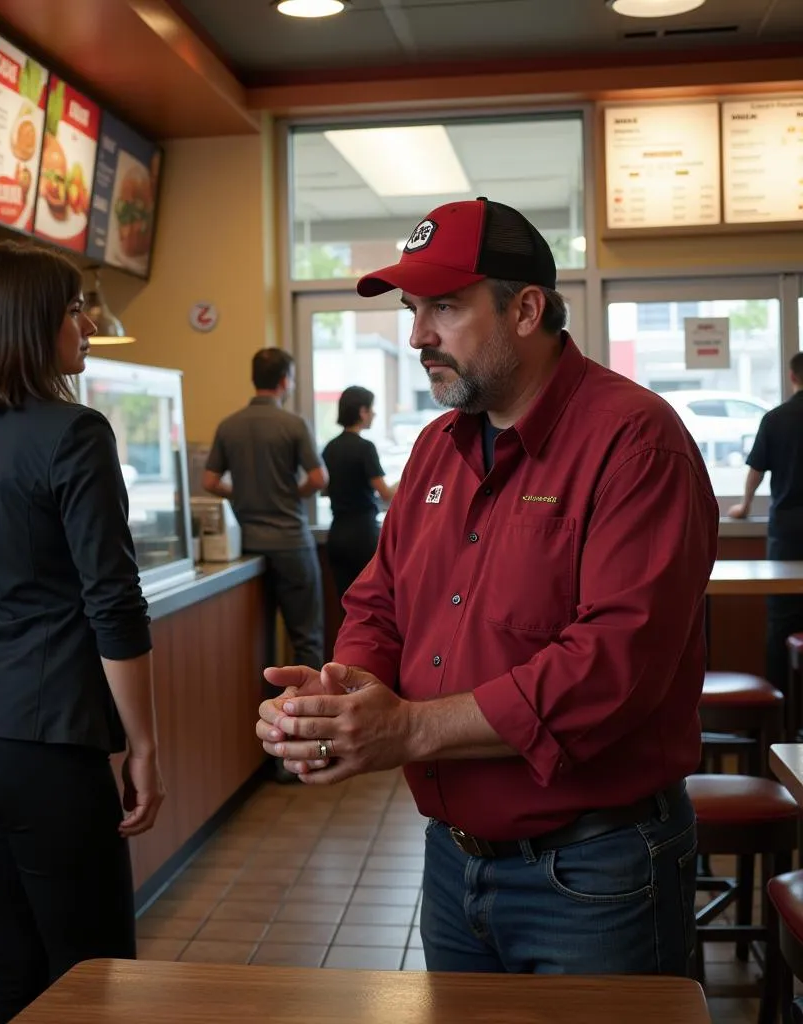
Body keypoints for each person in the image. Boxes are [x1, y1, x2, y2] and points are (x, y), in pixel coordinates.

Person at [256, 197, 718, 976]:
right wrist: (349, 693)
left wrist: (406, 730)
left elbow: (612, 665)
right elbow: (379, 601)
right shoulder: (437, 449)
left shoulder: (636, 441)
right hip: (452, 864)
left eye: (444, 306)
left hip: (597, 873)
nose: (418, 336)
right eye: (412, 310)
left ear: (527, 309)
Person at [0, 241, 164, 1024]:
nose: (87, 324)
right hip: (46, 744)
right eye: (74, 309)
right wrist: (142, 744)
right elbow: (112, 602)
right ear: (33, 323)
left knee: (18, 961)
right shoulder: (76, 432)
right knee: (94, 976)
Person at [204, 348, 327, 779]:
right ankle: (304, 753)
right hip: (291, 544)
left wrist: (243, 497)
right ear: (285, 380)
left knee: (261, 652)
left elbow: (208, 480)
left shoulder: (229, 425)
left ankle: (264, 751)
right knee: (307, 642)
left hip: (249, 548)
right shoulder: (293, 424)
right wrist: (284, 497)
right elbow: (318, 479)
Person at [729, 352, 803, 705]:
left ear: (792, 377)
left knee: (781, 623)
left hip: (788, 532)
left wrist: (744, 507)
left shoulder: (776, 419)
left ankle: (781, 709)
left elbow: (756, 471)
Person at [321, 386, 396, 599]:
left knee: (344, 603)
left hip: (337, 534)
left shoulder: (330, 448)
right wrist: (408, 476)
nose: (374, 414)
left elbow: (326, 489)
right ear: (362, 411)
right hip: (362, 535)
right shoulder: (365, 448)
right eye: (372, 409)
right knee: (369, 603)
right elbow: (385, 494)